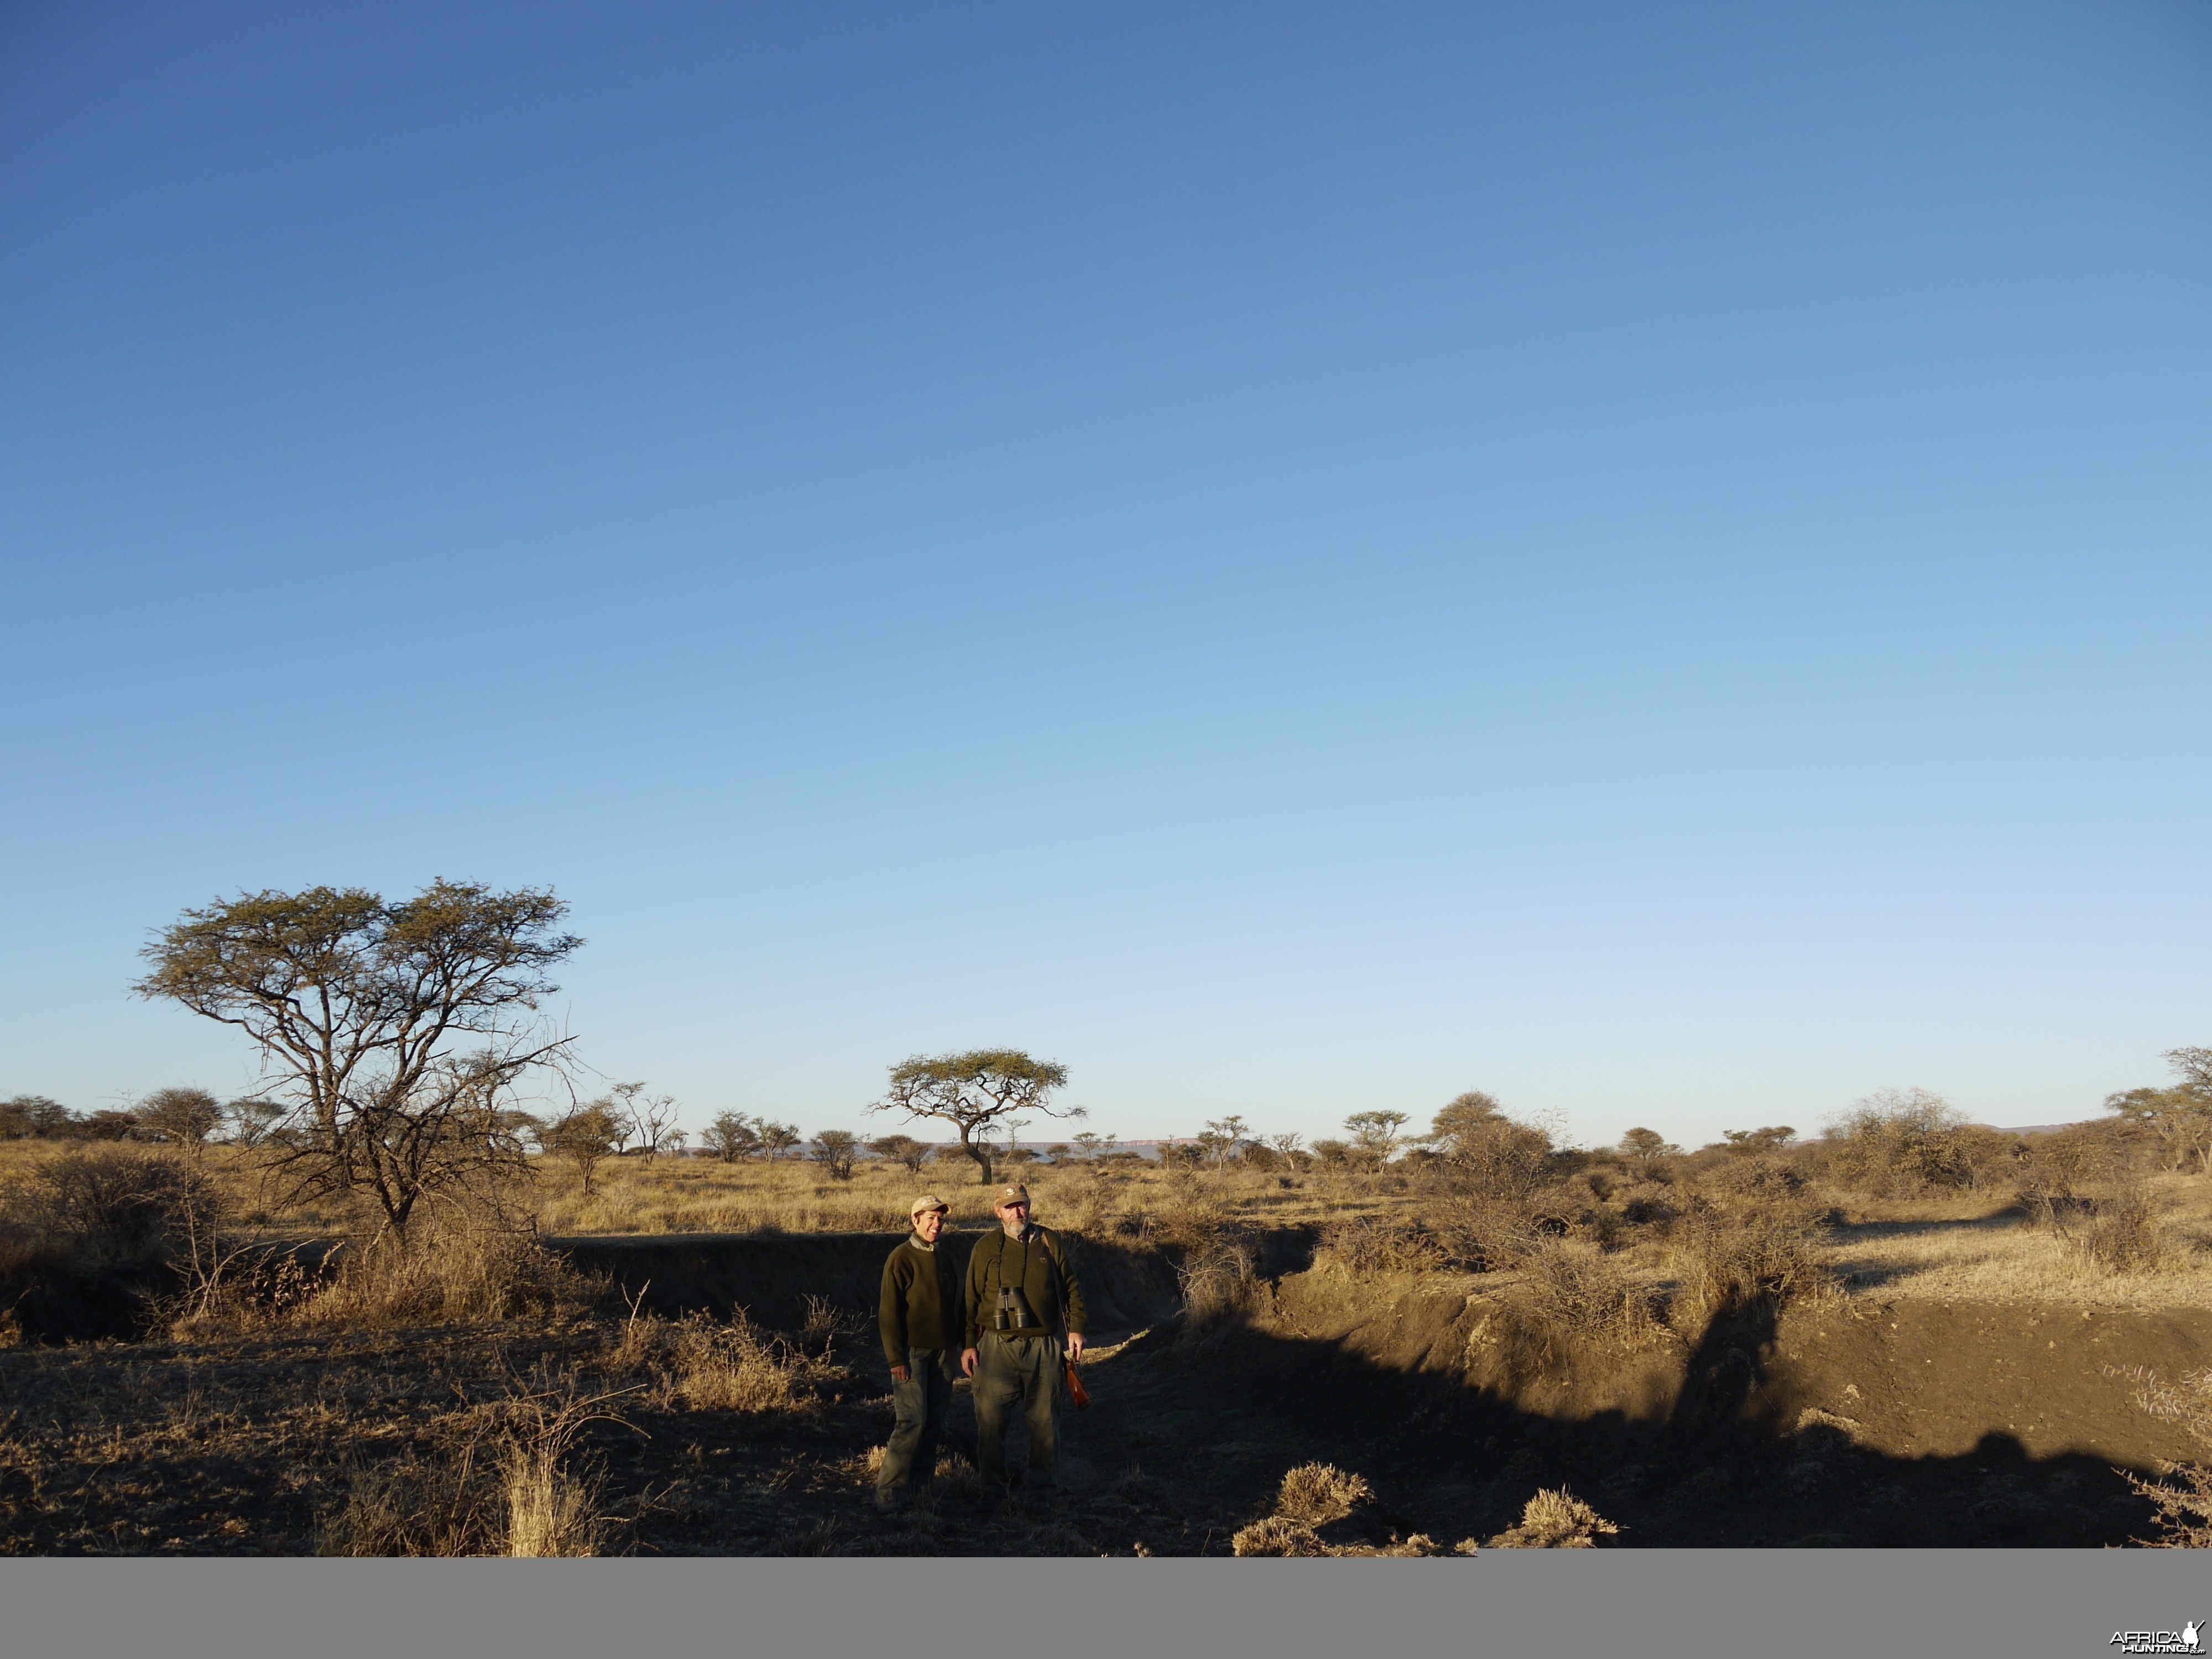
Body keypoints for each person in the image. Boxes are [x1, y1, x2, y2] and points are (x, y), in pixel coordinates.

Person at [961, 1182, 1087, 1496]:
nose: (1018, 1212)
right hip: (996, 1346)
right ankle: (993, 1490)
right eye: (1010, 1207)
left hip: (1044, 1346)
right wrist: (968, 1344)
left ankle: (1043, 1493)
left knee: (1045, 1424)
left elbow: (1071, 1288)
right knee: (990, 1423)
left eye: (1022, 1205)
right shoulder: (985, 1247)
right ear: (997, 1212)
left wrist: (1076, 1328)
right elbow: (970, 1300)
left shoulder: (1049, 1241)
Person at [877, 1193, 962, 1513]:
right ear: (915, 1221)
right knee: (911, 1421)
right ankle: (889, 1491)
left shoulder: (943, 1257)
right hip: (912, 1354)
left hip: (944, 1353)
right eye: (930, 1219)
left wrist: (958, 1346)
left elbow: (953, 1306)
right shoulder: (900, 1258)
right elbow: (889, 1313)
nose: (937, 1224)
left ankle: (920, 1488)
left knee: (934, 1423)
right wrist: (895, 1359)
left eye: (941, 1219)